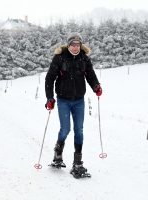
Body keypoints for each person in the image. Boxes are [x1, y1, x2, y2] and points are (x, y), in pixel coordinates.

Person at [45, 32, 102, 175]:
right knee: (65, 129)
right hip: (63, 100)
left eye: (78, 45)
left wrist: (96, 86)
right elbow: (49, 78)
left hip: (78, 101)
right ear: (68, 44)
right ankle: (58, 154)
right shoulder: (59, 58)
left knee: (79, 130)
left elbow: (91, 76)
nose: (76, 47)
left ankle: (77, 163)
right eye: (73, 45)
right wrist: (49, 98)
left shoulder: (84, 58)